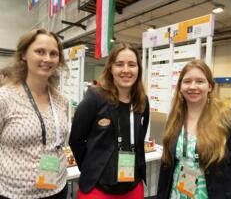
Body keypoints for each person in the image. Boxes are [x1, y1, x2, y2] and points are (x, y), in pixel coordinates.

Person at [157, 60, 231, 199]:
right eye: (187, 81)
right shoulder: (175, 119)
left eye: (199, 81)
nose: (192, 86)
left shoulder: (229, 120)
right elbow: (166, 165)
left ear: (210, 86)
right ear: (180, 87)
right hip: (177, 193)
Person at [69, 43, 150, 199]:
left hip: (133, 187)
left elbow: (140, 139)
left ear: (138, 69)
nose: (126, 70)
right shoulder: (95, 97)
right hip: (98, 189)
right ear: (111, 68)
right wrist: (91, 168)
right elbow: (76, 140)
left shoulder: (142, 101)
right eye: (120, 64)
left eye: (132, 65)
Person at [0, 29, 69, 199]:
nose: (47, 59)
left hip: (57, 188)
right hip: (14, 193)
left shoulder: (61, 100)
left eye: (54, 53)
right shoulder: (5, 98)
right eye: (40, 51)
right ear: (23, 54)